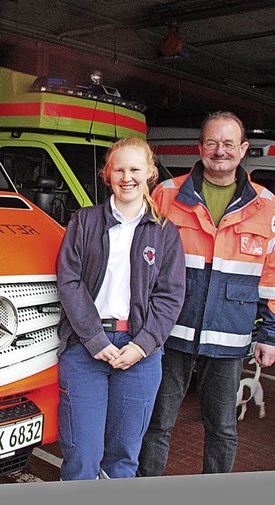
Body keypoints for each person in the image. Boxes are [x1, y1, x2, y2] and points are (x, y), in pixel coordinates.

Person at [137, 111, 275, 477]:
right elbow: (141, 264)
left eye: (229, 143)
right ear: (200, 148)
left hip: (229, 336)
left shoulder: (266, 205)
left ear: (243, 150)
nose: (220, 151)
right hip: (169, 333)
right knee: (156, 425)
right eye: (212, 143)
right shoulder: (166, 194)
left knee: (223, 429)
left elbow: (272, 276)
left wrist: (270, 336)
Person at [56, 136, 186, 480]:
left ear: (150, 174)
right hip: (86, 349)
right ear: (107, 174)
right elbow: (69, 282)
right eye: (119, 170)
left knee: (123, 460)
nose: (127, 177)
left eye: (135, 170)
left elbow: (171, 295)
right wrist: (95, 340)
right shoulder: (84, 222)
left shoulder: (165, 233)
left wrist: (142, 346)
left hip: (139, 354)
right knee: (82, 457)